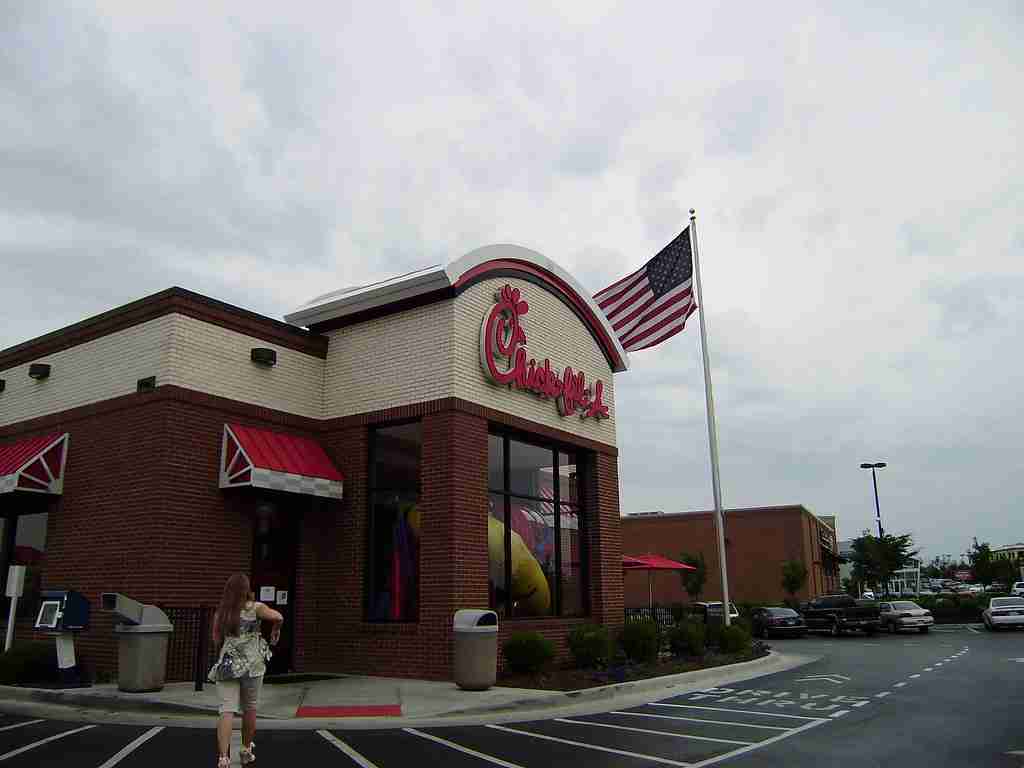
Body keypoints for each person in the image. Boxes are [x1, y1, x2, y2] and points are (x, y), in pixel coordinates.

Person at [209, 573, 283, 768]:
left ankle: (223, 757)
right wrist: (276, 629)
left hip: (227, 665)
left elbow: (216, 639)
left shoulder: (221, 613)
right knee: (250, 707)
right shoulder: (256, 608)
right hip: (252, 666)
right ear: (246, 589)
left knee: (226, 709)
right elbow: (278, 616)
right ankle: (245, 750)